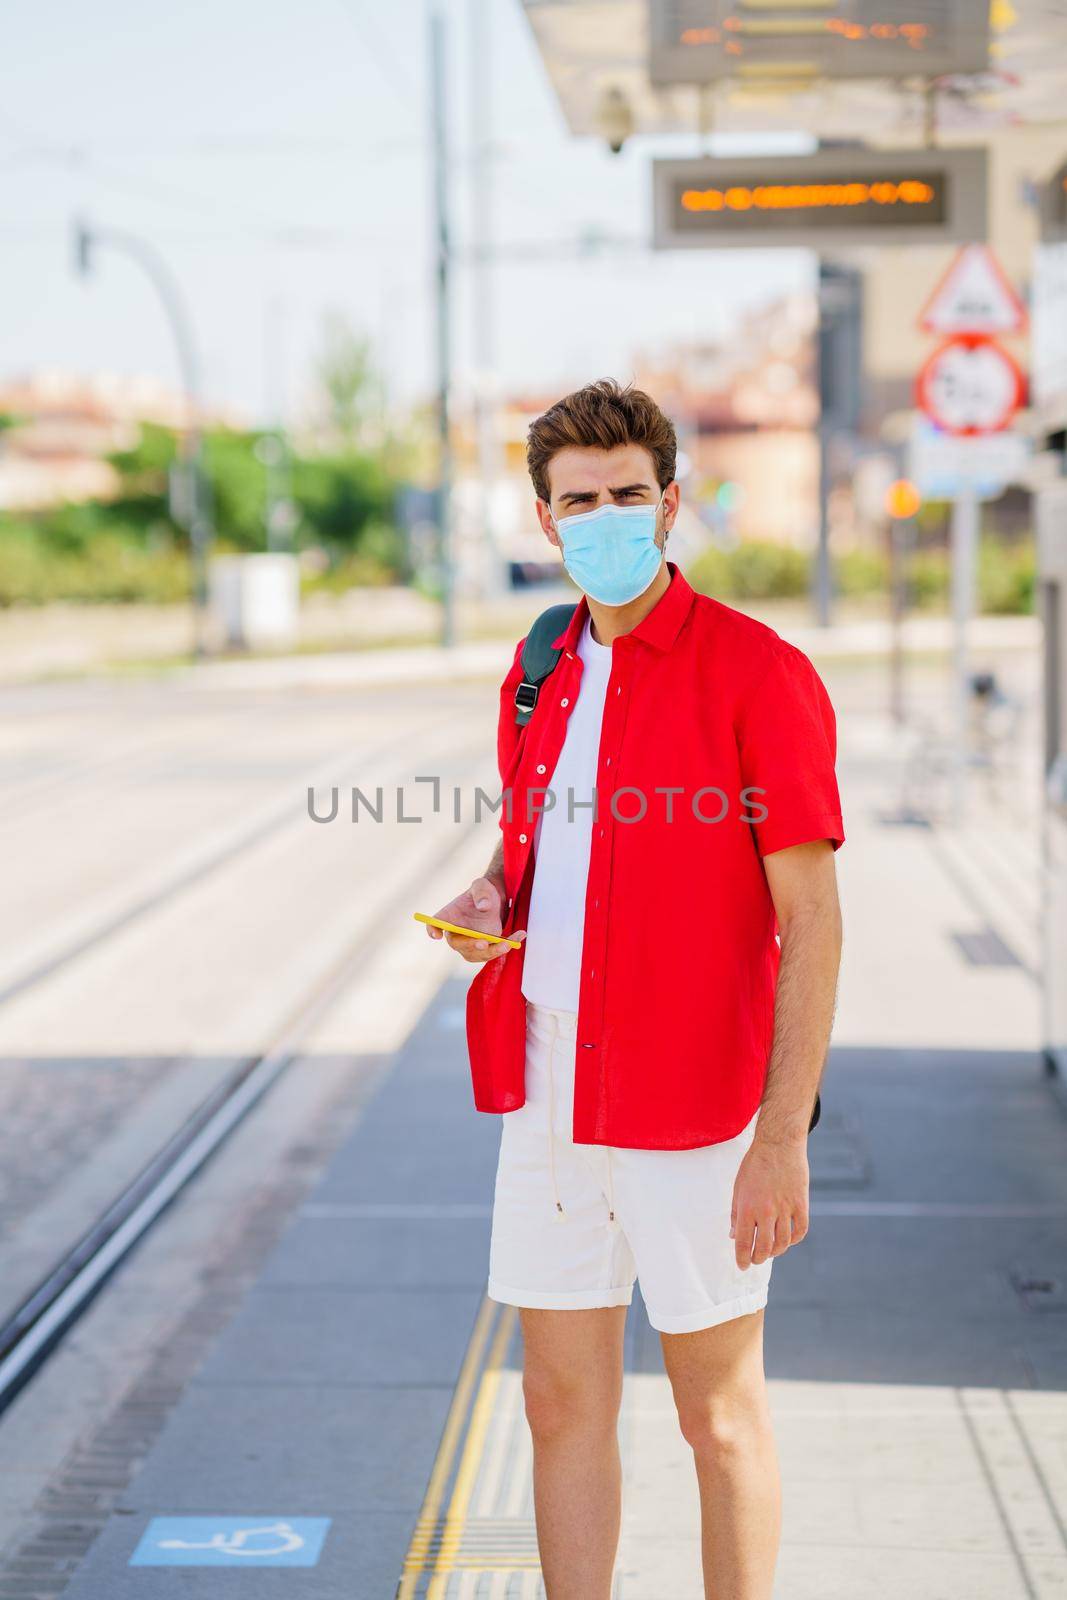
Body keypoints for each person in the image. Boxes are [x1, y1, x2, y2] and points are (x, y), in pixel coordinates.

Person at [425, 378, 844, 1600]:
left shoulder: (757, 674)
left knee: (715, 1419)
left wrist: (781, 1136)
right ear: (543, 523)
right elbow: (530, 850)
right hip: (548, 1092)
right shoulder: (538, 662)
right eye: (577, 501)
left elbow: (810, 920)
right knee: (557, 1405)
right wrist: (488, 899)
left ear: (668, 505)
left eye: (626, 494)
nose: (603, 516)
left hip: (698, 1107)